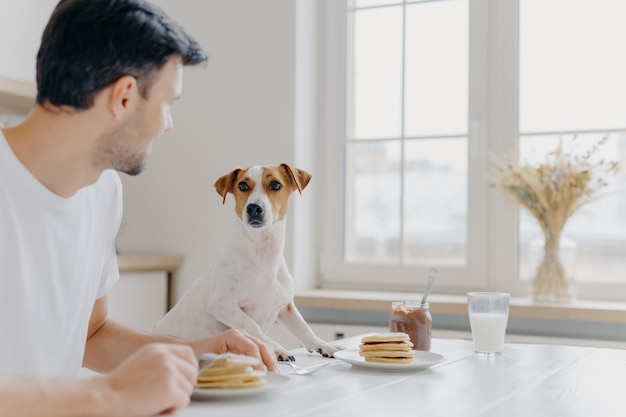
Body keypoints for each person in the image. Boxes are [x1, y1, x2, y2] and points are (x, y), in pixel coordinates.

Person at [0, 0, 278, 416]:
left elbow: (90, 334)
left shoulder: (103, 191)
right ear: (125, 96)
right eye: (168, 102)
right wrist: (108, 397)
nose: (168, 123)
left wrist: (196, 353)